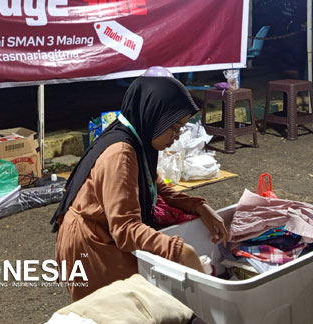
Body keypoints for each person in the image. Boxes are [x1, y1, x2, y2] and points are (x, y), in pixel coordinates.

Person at [50, 76, 228, 301]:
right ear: (152, 115)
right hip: (91, 245)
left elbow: (157, 186)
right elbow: (125, 229)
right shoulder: (121, 154)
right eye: (173, 128)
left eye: (181, 129)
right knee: (115, 311)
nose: (176, 137)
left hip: (103, 232)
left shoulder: (137, 139)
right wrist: (179, 250)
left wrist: (199, 206)